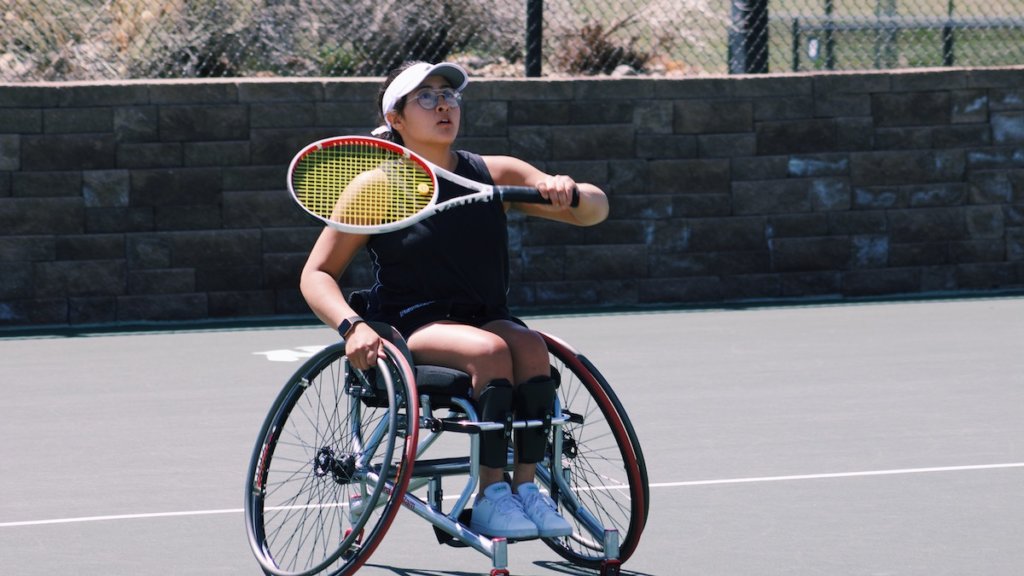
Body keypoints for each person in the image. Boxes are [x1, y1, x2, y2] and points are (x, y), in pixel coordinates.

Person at [300, 61, 609, 539]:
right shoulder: (377, 186)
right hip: (410, 325)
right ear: (397, 119)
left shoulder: (492, 172)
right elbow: (317, 274)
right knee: (489, 351)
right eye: (425, 97)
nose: (443, 104)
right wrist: (350, 327)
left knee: (529, 347)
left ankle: (525, 490)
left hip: (485, 317)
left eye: (448, 94)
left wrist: (565, 188)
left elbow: (594, 210)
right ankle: (490, 497)